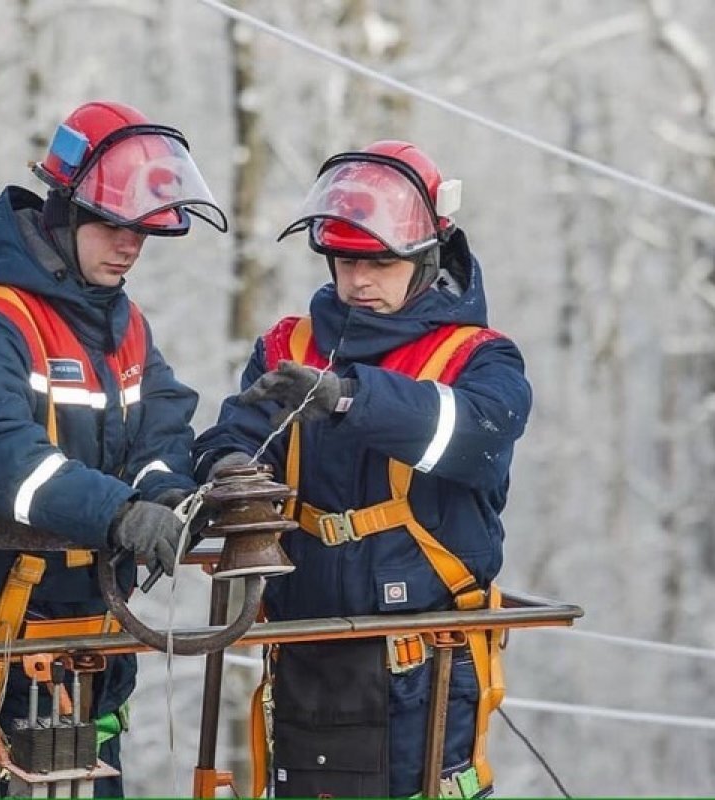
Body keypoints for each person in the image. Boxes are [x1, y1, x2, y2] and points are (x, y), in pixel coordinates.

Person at [194, 141, 532, 798]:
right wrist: (228, 466)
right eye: (345, 262)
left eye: (378, 262)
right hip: (305, 656)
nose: (358, 282)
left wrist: (348, 397)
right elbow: (237, 429)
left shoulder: (481, 360)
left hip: (427, 667)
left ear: (427, 258)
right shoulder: (287, 347)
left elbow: (472, 437)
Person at [0, 100, 226, 797]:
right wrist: (121, 515)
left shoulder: (121, 323)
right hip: (8, 642)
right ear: (65, 210)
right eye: (117, 226)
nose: (131, 247)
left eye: (145, 234)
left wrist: (164, 492)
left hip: (96, 640)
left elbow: (162, 425)